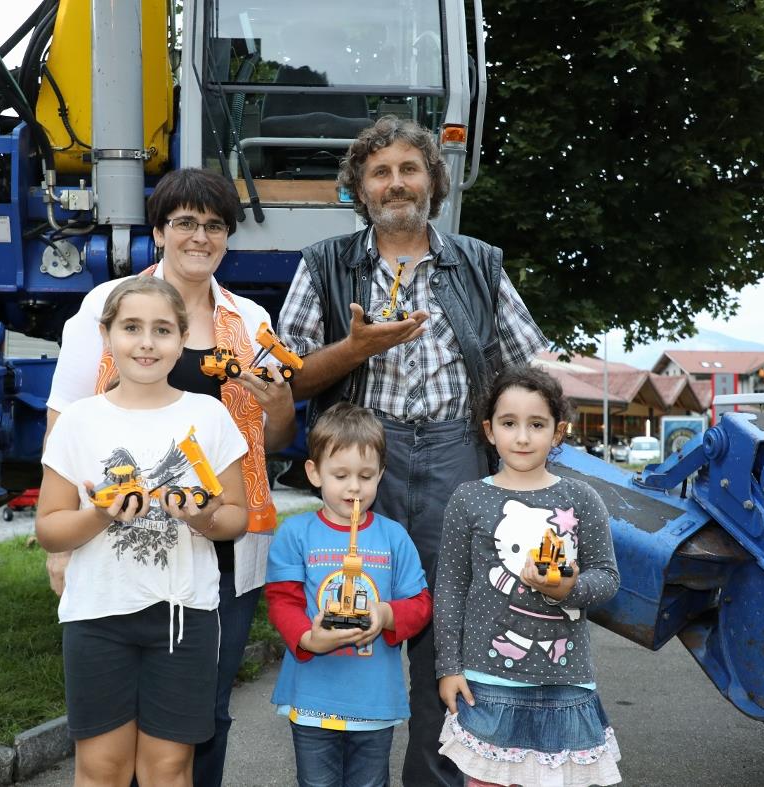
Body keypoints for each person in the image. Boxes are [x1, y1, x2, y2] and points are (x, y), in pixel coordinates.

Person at [277, 115, 548, 786]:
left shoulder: (480, 263)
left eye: (409, 168)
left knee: (448, 631)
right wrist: (354, 348)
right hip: (363, 459)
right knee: (348, 609)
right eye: (380, 171)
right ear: (359, 189)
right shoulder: (326, 263)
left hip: (459, 453)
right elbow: (285, 377)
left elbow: (533, 367)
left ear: (434, 181)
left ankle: (433, 777)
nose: (396, 182)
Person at [44, 167, 295, 786]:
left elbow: (274, 439)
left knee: (200, 715)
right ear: (159, 231)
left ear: (227, 239)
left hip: (223, 542)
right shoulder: (107, 308)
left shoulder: (251, 320)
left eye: (214, 226)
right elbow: (63, 420)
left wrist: (280, 403)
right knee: (108, 748)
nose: (200, 237)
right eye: (185, 222)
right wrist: (60, 545)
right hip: (111, 539)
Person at [35, 276, 250, 786]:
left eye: (162, 330)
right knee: (101, 768)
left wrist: (201, 517)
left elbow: (236, 517)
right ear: (107, 335)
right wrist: (100, 514)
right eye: (131, 328)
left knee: (169, 768)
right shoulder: (79, 422)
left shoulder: (210, 415)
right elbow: (49, 528)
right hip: (98, 614)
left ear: (182, 340)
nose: (147, 342)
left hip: (184, 616)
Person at [435, 365, 622, 787]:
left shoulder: (581, 498)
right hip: (486, 683)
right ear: (489, 429)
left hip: (566, 683)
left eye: (536, 424)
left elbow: (608, 579)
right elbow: (449, 588)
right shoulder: (468, 499)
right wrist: (448, 667)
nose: (522, 437)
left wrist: (568, 587)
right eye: (509, 423)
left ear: (558, 432)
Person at [265, 402, 432, 787]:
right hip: (312, 699)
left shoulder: (393, 537)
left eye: (366, 475)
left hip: (373, 702)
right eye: (340, 475)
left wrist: (386, 616)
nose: (354, 487)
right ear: (314, 472)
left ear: (381, 475)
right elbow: (282, 599)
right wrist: (309, 638)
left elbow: (420, 603)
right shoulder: (296, 534)